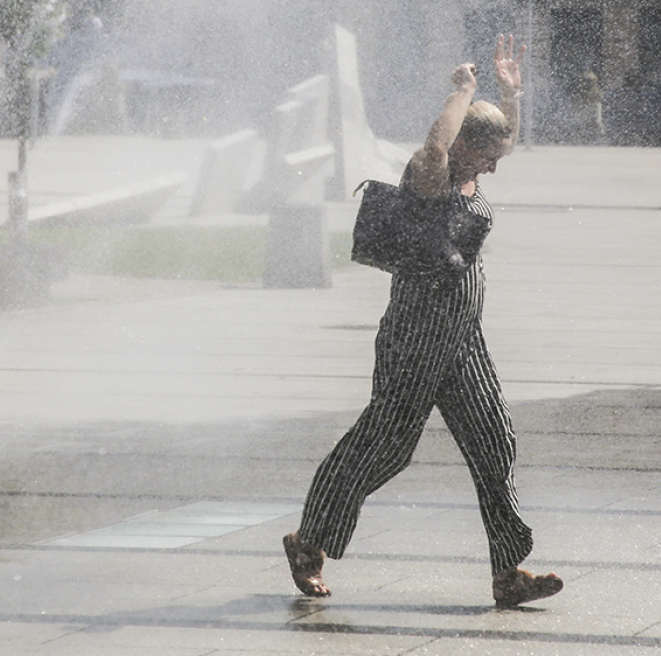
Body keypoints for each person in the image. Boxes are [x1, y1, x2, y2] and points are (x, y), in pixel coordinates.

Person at [283, 35, 564, 608]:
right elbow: (438, 144)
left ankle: (507, 571)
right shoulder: (431, 173)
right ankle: (308, 540)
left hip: (462, 338)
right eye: (484, 153)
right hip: (415, 335)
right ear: (462, 145)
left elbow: (497, 141)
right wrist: (462, 91)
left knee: (495, 442)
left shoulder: (472, 172)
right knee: (387, 445)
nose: (494, 164)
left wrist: (510, 96)